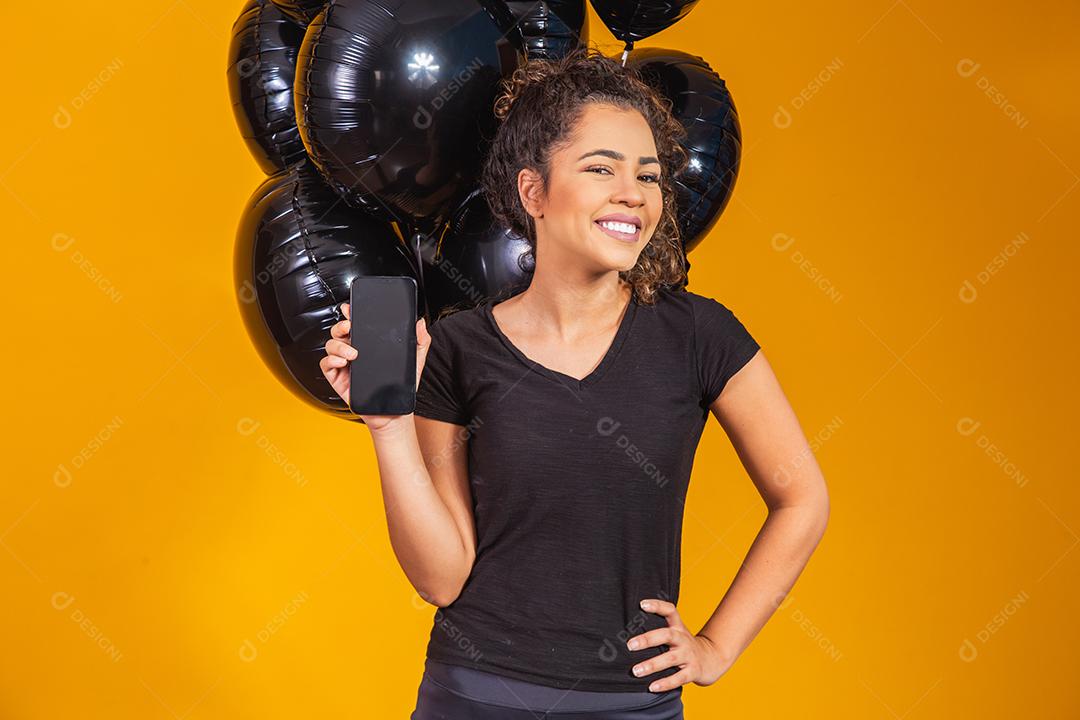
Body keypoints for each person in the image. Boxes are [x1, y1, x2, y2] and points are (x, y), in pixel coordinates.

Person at [321, 46, 830, 719]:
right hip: (473, 698)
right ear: (533, 192)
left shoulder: (700, 335)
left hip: (631, 705)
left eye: (648, 176)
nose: (633, 194)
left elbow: (802, 499)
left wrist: (715, 647)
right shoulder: (459, 347)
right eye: (600, 168)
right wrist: (389, 428)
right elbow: (442, 578)